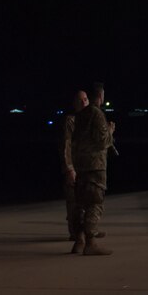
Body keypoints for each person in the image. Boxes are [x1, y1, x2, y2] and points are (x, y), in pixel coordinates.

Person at [70, 82, 116, 255]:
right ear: (101, 96)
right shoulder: (97, 114)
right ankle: (91, 242)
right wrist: (110, 131)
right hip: (95, 167)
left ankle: (79, 240)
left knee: (81, 204)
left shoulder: (81, 115)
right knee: (95, 203)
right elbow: (102, 140)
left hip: (81, 165)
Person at [62, 89, 88, 240]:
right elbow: (66, 146)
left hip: (86, 166)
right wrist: (69, 168)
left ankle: (87, 229)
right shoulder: (71, 121)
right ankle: (75, 232)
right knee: (73, 201)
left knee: (87, 200)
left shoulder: (89, 119)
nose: (84, 102)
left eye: (85, 99)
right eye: (80, 100)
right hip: (75, 166)